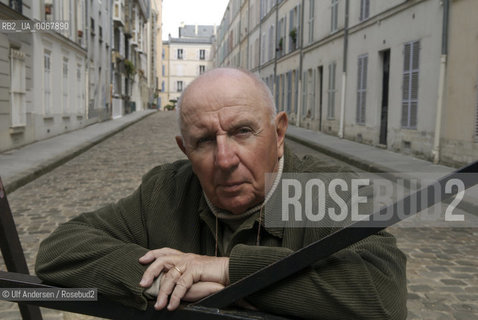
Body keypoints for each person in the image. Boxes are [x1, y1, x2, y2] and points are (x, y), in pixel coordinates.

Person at [35, 68, 407, 319]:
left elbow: (383, 294)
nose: (225, 159)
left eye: (243, 131)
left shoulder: (323, 188)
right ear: (185, 150)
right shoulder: (166, 189)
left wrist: (227, 271)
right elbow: (61, 249)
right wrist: (169, 279)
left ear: (279, 135)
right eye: (205, 141)